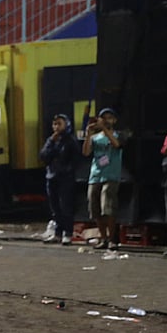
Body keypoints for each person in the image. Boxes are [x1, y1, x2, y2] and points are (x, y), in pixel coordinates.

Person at [82, 107, 123, 250]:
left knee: (108, 206)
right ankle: (103, 238)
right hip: (95, 175)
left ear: (115, 120)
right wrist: (88, 134)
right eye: (103, 117)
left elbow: (116, 144)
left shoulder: (118, 134)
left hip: (111, 175)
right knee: (95, 207)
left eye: (109, 117)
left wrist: (105, 129)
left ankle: (112, 239)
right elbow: (86, 152)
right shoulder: (95, 138)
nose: (106, 120)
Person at [38, 114, 79, 245]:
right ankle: (57, 233)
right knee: (55, 206)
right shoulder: (51, 140)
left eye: (59, 124)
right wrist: (51, 142)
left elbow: (74, 157)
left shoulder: (70, 140)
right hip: (51, 175)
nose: (56, 127)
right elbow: (43, 156)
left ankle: (68, 233)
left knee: (65, 206)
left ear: (66, 124)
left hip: (65, 176)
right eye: (54, 124)